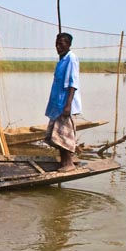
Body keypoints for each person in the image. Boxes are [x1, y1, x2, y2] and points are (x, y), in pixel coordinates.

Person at [45, 32, 82, 172]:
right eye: (57, 44)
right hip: (58, 104)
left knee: (65, 136)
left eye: (62, 44)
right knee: (57, 136)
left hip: (66, 104)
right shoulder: (62, 60)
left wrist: (68, 105)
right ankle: (63, 162)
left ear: (69, 44)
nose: (58, 46)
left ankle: (69, 164)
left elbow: (73, 84)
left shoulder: (71, 59)